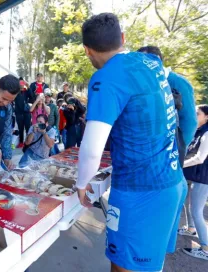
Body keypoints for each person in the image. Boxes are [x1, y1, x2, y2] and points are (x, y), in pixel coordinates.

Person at [77, 13, 187, 272]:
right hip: (172, 180)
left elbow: (92, 149)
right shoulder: (151, 62)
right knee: (152, 264)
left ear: (87, 50)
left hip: (140, 191)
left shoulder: (106, 77)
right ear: (123, 39)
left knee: (125, 267)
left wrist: (82, 183)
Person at [137, 45, 197, 157]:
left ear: (159, 61)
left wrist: (177, 149)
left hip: (169, 152)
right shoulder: (142, 83)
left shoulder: (178, 83)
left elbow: (190, 122)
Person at [179, 105, 208, 261]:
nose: (194, 115)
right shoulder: (198, 131)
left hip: (203, 178)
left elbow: (200, 158)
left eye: (197, 113)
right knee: (187, 203)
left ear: (206, 117)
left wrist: (180, 163)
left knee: (197, 211)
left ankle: (205, 248)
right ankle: (191, 229)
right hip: (193, 175)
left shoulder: (207, 133)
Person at [14, 80, 31, 149]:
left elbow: (32, 96)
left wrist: (28, 87)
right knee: (20, 128)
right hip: (18, 113)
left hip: (26, 112)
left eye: (22, 84)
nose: (21, 86)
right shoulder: (16, 92)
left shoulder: (26, 92)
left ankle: (28, 141)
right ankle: (21, 142)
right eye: (20, 84)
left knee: (28, 128)